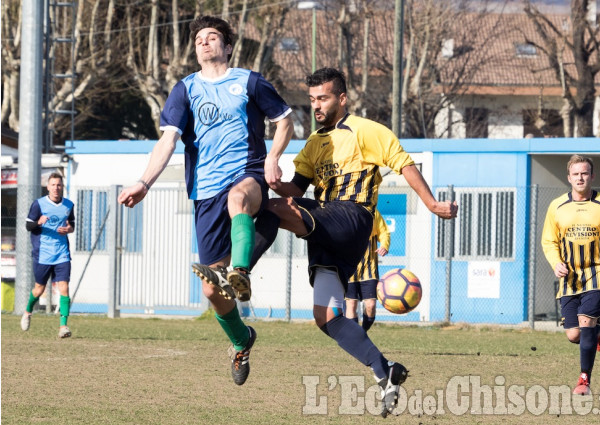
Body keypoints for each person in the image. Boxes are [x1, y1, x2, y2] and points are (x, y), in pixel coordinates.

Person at [247, 68, 457, 416]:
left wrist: (433, 204)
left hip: (351, 217)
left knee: (272, 209)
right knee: (326, 316)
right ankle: (384, 370)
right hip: (326, 230)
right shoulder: (315, 143)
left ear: (342, 99)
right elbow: (295, 191)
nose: (316, 105)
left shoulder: (365, 130)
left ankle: (238, 271)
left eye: (323, 98)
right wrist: (267, 178)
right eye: (312, 99)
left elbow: (405, 165)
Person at [117, 16, 293, 386]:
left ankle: (240, 271)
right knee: (212, 290)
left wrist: (274, 157)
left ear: (228, 46)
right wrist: (144, 183)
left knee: (239, 196)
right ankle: (241, 340)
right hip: (204, 191)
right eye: (199, 39)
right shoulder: (184, 90)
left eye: (213, 37)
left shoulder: (249, 82)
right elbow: (167, 141)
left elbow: (284, 121)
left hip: (248, 173)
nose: (205, 42)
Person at [541, 155, 600, 396]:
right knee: (574, 334)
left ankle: (584, 380)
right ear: (568, 177)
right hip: (569, 276)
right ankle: (598, 329)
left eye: (585, 173)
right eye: (576, 174)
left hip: (599, 273)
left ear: (592, 176)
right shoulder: (557, 206)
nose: (581, 178)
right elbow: (549, 241)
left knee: (586, 322)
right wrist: (555, 262)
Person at [21, 172, 75, 338]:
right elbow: (28, 226)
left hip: (62, 253)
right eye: (53, 185)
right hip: (43, 254)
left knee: (63, 288)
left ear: (62, 187)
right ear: (48, 187)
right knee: (39, 289)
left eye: (59, 185)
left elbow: (71, 224)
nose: (56, 188)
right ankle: (28, 311)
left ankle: (63, 326)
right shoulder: (38, 204)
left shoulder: (68, 205)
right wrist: (39, 222)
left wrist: (69, 229)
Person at [345, 209, 390, 331]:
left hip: (369, 268)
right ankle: (356, 338)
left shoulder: (373, 212)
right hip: (348, 268)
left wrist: (384, 246)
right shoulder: (344, 211)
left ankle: (362, 334)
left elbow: (384, 232)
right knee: (351, 304)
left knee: (370, 305)